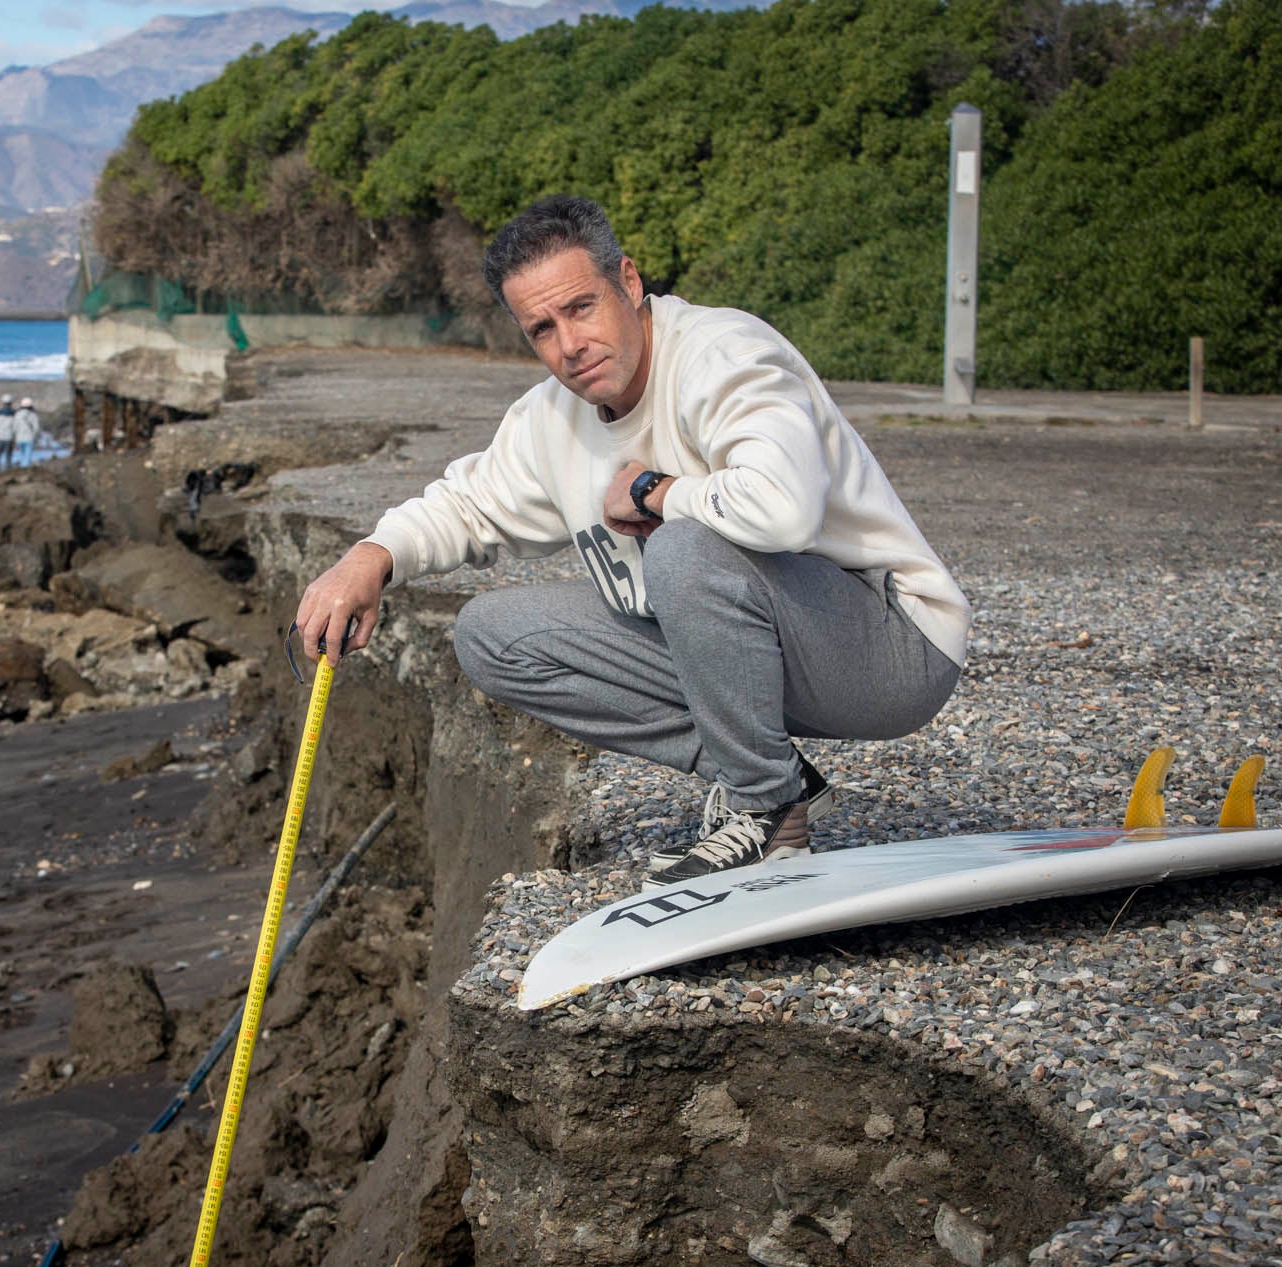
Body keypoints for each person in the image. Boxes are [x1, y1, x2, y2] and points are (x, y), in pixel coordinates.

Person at [293, 195, 968, 887]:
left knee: (682, 547)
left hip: (891, 646)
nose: (569, 346)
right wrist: (370, 557)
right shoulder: (549, 419)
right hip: (757, 651)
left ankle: (766, 814)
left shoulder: (723, 353)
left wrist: (655, 489)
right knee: (492, 634)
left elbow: (785, 508)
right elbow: (466, 505)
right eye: (542, 329)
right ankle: (770, 775)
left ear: (630, 282)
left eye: (581, 308)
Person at [12, 396, 41, 467]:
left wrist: (15, 436)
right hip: (29, 438)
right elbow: (36, 428)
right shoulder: (32, 415)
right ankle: (25, 471)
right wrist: (35, 436)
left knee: (22, 456)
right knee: (27, 458)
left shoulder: (17, 414)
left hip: (19, 439)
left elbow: (14, 427)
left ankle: (22, 469)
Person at [0, 392, 17, 468]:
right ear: (11, 402)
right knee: (8, 457)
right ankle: (8, 472)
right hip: (9, 438)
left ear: (2, 402)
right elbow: (15, 427)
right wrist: (14, 436)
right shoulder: (14, 414)